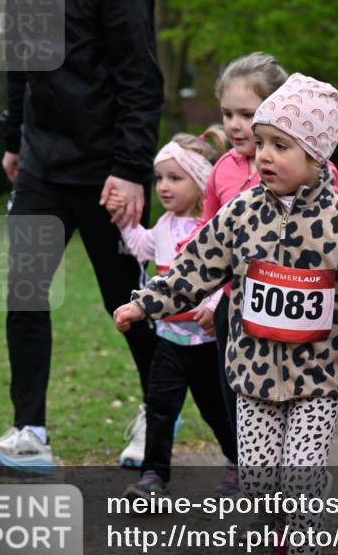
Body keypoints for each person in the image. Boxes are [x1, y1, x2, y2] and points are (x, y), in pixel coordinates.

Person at [113, 73, 338, 555]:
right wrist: (147, 303)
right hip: (253, 374)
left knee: (300, 474)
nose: (263, 154)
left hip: (318, 377)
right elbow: (195, 266)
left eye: (280, 145)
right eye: (260, 143)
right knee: (261, 480)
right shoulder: (241, 213)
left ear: (316, 156)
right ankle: (281, 527)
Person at [0, 0, 163, 473]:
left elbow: (140, 74)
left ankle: (157, 415)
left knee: (129, 300)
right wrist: (14, 137)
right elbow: (21, 55)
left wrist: (129, 168)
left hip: (107, 169)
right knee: (24, 290)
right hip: (42, 164)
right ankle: (30, 432)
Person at [152, 53, 338, 477]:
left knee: (298, 415)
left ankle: (301, 477)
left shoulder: (319, 172)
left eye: (247, 114)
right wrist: (206, 297)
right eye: (227, 113)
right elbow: (208, 235)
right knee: (244, 407)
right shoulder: (222, 171)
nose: (235, 125)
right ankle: (256, 478)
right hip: (238, 309)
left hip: (307, 321)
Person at [100, 130, 238, 499]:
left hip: (206, 344)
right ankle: (153, 477)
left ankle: (239, 462)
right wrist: (126, 221)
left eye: (174, 178)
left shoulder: (210, 229)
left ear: (199, 182)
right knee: (159, 409)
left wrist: (211, 307)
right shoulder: (163, 225)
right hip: (168, 341)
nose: (163, 186)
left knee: (217, 411)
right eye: (159, 177)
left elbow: (222, 273)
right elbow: (141, 246)